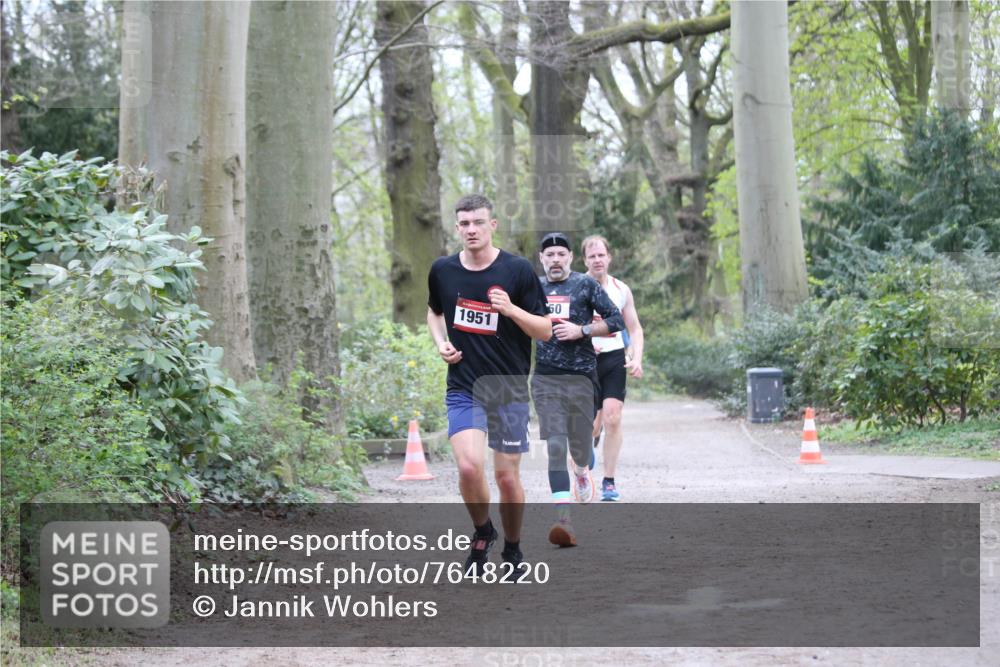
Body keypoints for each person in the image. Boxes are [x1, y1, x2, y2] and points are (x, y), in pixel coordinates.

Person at [427, 194, 551, 576]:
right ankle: (484, 532)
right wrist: (441, 343)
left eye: (478, 222)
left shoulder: (517, 270)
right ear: (457, 227)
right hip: (463, 385)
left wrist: (511, 310)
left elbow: (545, 331)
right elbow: (434, 312)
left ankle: (513, 549)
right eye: (464, 224)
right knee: (468, 467)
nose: (471, 230)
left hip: (507, 388)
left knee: (506, 476)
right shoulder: (443, 270)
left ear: (492, 225)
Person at [532, 232, 624, 547]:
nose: (555, 259)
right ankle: (563, 520)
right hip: (545, 379)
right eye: (549, 255)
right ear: (541, 258)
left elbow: (616, 320)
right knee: (556, 446)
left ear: (570, 258)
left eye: (561, 254)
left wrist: (581, 329)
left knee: (580, 446)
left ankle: (582, 471)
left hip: (583, 377)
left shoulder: (585, 285)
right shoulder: (533, 288)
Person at [582, 235, 645, 502]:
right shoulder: (576, 287)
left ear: (609, 257)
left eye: (601, 255)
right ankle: (588, 449)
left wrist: (636, 356)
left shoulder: (621, 289)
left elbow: (635, 329)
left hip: (613, 359)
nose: (597, 260)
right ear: (584, 260)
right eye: (592, 256)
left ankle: (608, 480)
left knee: (613, 418)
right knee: (592, 426)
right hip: (584, 361)